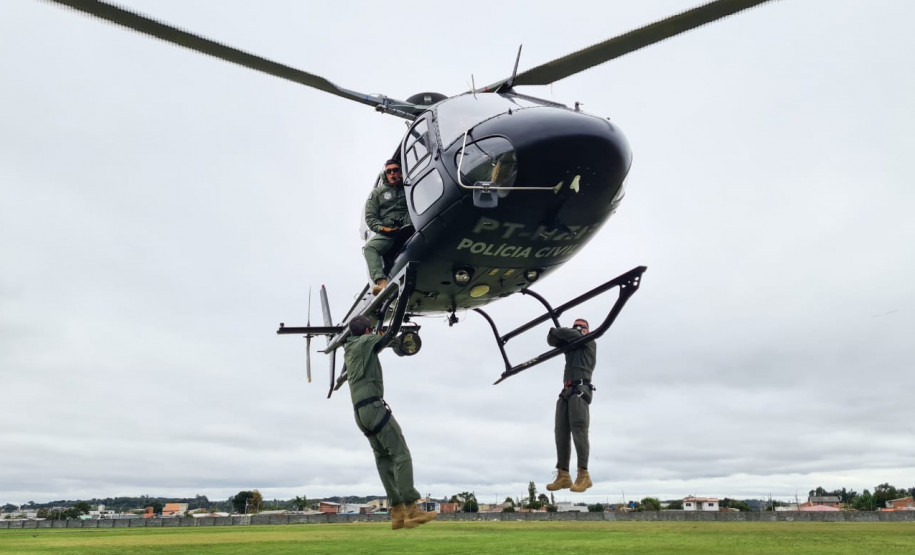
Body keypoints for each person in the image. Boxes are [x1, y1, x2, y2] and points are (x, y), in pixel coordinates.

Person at [343, 314, 437, 530]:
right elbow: (389, 339)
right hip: (374, 408)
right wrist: (400, 337)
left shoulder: (349, 348)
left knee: (383, 459)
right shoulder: (367, 341)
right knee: (401, 454)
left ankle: (397, 512)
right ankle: (411, 508)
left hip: (360, 414)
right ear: (367, 331)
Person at [545, 318, 597, 493]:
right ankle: (563, 474)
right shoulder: (572, 345)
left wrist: (559, 332)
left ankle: (584, 474)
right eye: (576, 326)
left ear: (586, 330)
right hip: (567, 390)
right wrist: (554, 333)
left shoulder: (589, 341)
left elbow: (567, 334)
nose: (578, 329)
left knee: (579, 430)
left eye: (581, 327)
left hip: (580, 389)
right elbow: (552, 340)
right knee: (560, 432)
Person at [363, 159, 410, 296]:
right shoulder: (377, 193)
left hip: (410, 225)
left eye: (395, 170)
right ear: (385, 174)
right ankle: (381, 282)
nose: (392, 173)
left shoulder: (409, 185)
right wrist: (383, 229)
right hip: (390, 232)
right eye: (389, 171)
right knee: (370, 248)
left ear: (401, 171)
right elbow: (370, 217)